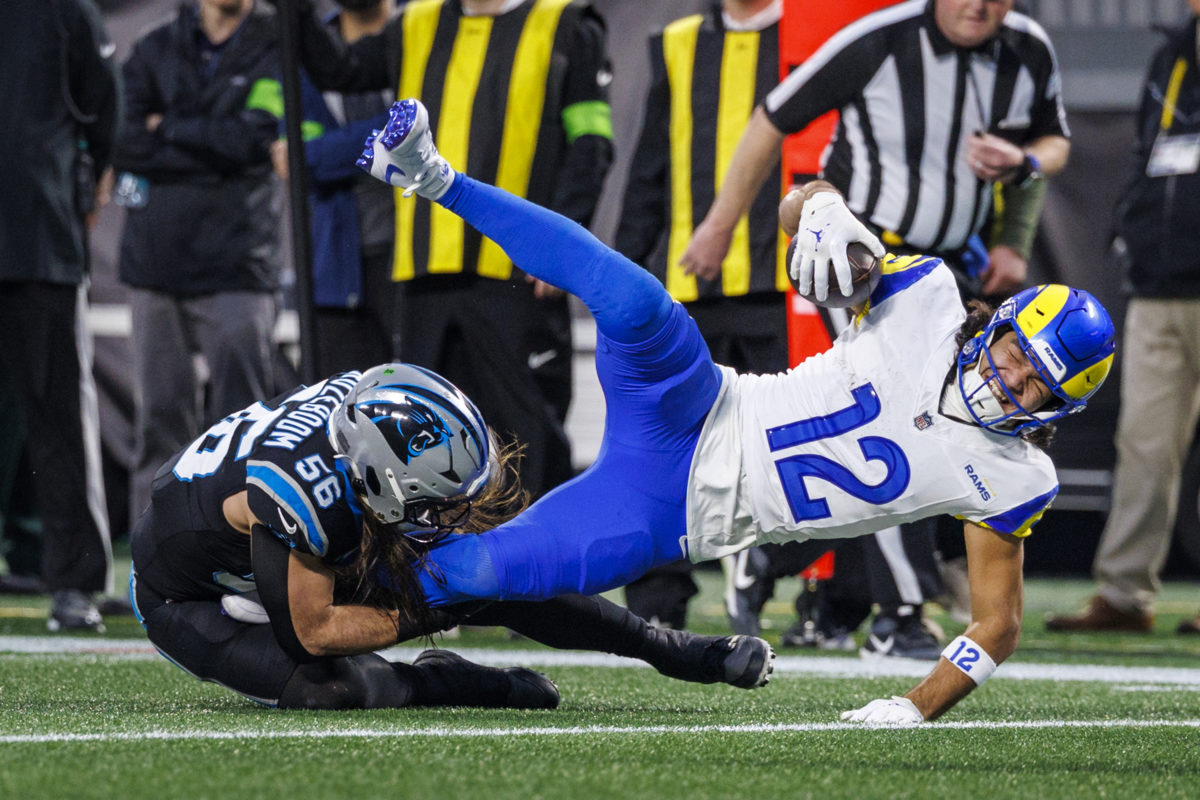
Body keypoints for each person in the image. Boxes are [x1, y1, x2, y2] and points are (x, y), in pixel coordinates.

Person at [360, 98, 1115, 724]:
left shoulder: (1013, 476)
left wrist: (916, 707)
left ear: (1059, 407)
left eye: (1036, 387)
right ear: (1000, 325)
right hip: (702, 400)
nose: (1011, 381)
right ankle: (430, 175)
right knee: (631, 296)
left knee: (478, 570)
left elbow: (997, 625)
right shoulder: (928, 297)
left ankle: (317, 592)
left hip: (672, 508)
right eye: (1017, 355)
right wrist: (822, 206)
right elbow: (800, 209)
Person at [681, 0, 1073, 649]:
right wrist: (721, 224)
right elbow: (772, 116)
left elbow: (1054, 141)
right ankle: (899, 612)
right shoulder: (880, 38)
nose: (979, 6)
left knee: (938, 432)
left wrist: (1021, 186)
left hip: (953, 269)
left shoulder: (1027, 48)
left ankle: (778, 561)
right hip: (868, 264)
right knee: (908, 422)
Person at [128, 360, 774, 709]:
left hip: (314, 533)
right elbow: (311, 633)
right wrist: (433, 609)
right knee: (329, 689)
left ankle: (670, 648)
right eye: (434, 500)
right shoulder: (301, 490)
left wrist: (459, 585)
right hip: (194, 597)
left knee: (489, 570)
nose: (450, 511)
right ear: (378, 479)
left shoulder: (368, 416)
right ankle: (453, 681)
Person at [286, 0, 615, 499]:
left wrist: (559, 248)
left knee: (528, 437)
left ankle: (541, 552)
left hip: (514, 274)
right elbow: (339, 69)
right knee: (425, 442)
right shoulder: (416, 22)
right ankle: (445, 551)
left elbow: (590, 144)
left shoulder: (565, 23)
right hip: (425, 277)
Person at [614, 0, 790, 631]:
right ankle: (658, 603)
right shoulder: (678, 41)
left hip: (786, 287)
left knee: (799, 443)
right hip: (692, 288)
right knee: (670, 448)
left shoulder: (808, 34)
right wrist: (623, 273)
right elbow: (649, 167)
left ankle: (821, 595)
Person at [1046, 0, 1200, 636]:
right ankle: (1124, 592)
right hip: (1159, 280)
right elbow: (1149, 151)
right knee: (1142, 443)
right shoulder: (1172, 54)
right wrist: (1130, 232)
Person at [113, 0, 285, 527]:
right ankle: (152, 557)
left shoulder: (278, 41)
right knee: (159, 425)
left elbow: (253, 139)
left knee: (246, 430)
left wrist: (166, 127)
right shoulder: (154, 45)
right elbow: (125, 142)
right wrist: (214, 144)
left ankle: (247, 557)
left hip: (239, 265)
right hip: (155, 266)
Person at [0, 0, 121, 631]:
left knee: (59, 417)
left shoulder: (66, 8)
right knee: (56, 418)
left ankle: (75, 581)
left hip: (39, 237)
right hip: (41, 230)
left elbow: (105, 108)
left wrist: (83, 183)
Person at [268, 0, 397, 376]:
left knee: (431, 403)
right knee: (340, 404)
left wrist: (318, 154)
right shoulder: (303, 45)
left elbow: (419, 134)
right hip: (334, 270)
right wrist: (383, 138)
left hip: (415, 266)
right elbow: (294, 164)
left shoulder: (423, 29)